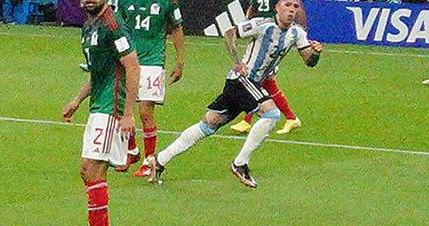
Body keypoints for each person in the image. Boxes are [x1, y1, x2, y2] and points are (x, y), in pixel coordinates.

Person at [151, 0, 320, 189]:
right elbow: (230, 32)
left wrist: (316, 53)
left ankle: (159, 160)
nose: (291, 10)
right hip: (241, 80)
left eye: (295, 6)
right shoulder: (263, 25)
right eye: (287, 5)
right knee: (272, 113)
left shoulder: (297, 33)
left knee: (209, 123)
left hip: (249, 84)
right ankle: (240, 163)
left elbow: (309, 61)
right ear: (277, 8)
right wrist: (237, 61)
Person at [60, 0, 140, 226]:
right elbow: (98, 73)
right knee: (88, 172)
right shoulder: (89, 26)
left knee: (91, 170)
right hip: (98, 106)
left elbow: (132, 66)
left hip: (110, 108)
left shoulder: (113, 25)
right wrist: (76, 100)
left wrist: (128, 114)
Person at [116, 0, 185, 179]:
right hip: (128, 60)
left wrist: (179, 62)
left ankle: (149, 161)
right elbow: (116, 27)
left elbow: (177, 28)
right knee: (122, 108)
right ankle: (132, 150)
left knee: (145, 112)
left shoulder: (168, 3)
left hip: (153, 61)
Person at [228, 0, 303, 134]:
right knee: (261, 83)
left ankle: (248, 120)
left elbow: (295, 10)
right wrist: (248, 22)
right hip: (261, 35)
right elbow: (252, 8)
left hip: (273, 40)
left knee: (258, 82)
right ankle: (290, 118)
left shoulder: (283, 4)